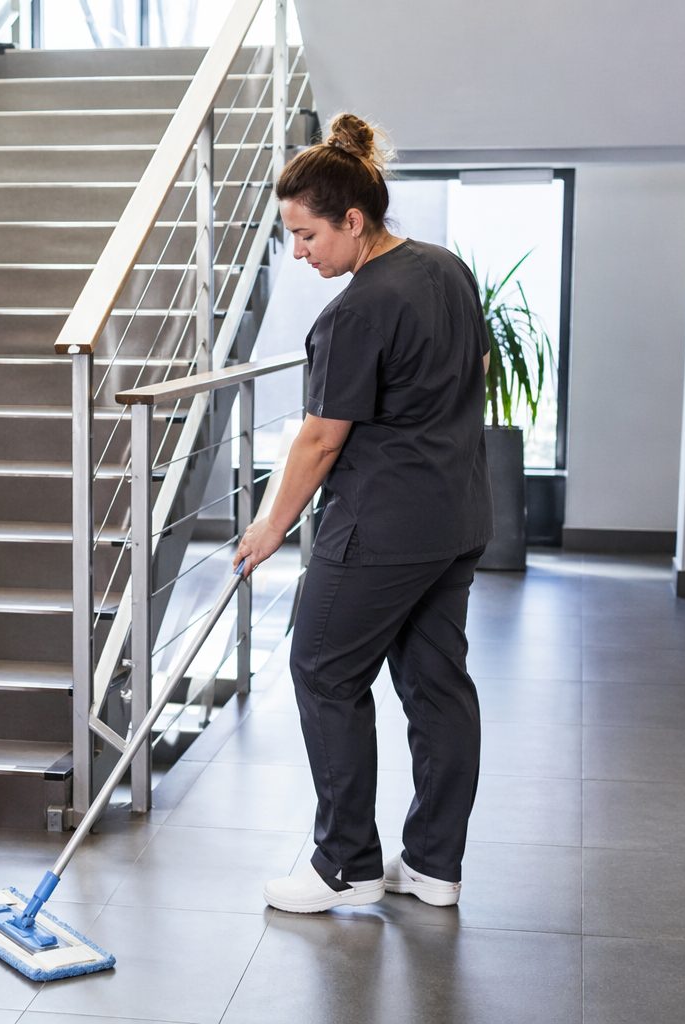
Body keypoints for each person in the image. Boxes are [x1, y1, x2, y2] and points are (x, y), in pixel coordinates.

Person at [233, 112, 494, 913]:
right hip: (455, 518)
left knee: (321, 669)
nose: (299, 252)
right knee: (436, 685)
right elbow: (473, 367)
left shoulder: (355, 312)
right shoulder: (446, 269)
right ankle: (434, 866)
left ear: (353, 220)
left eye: (307, 235)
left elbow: (320, 439)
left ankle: (343, 863)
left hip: (381, 528)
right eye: (291, 236)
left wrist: (270, 525)